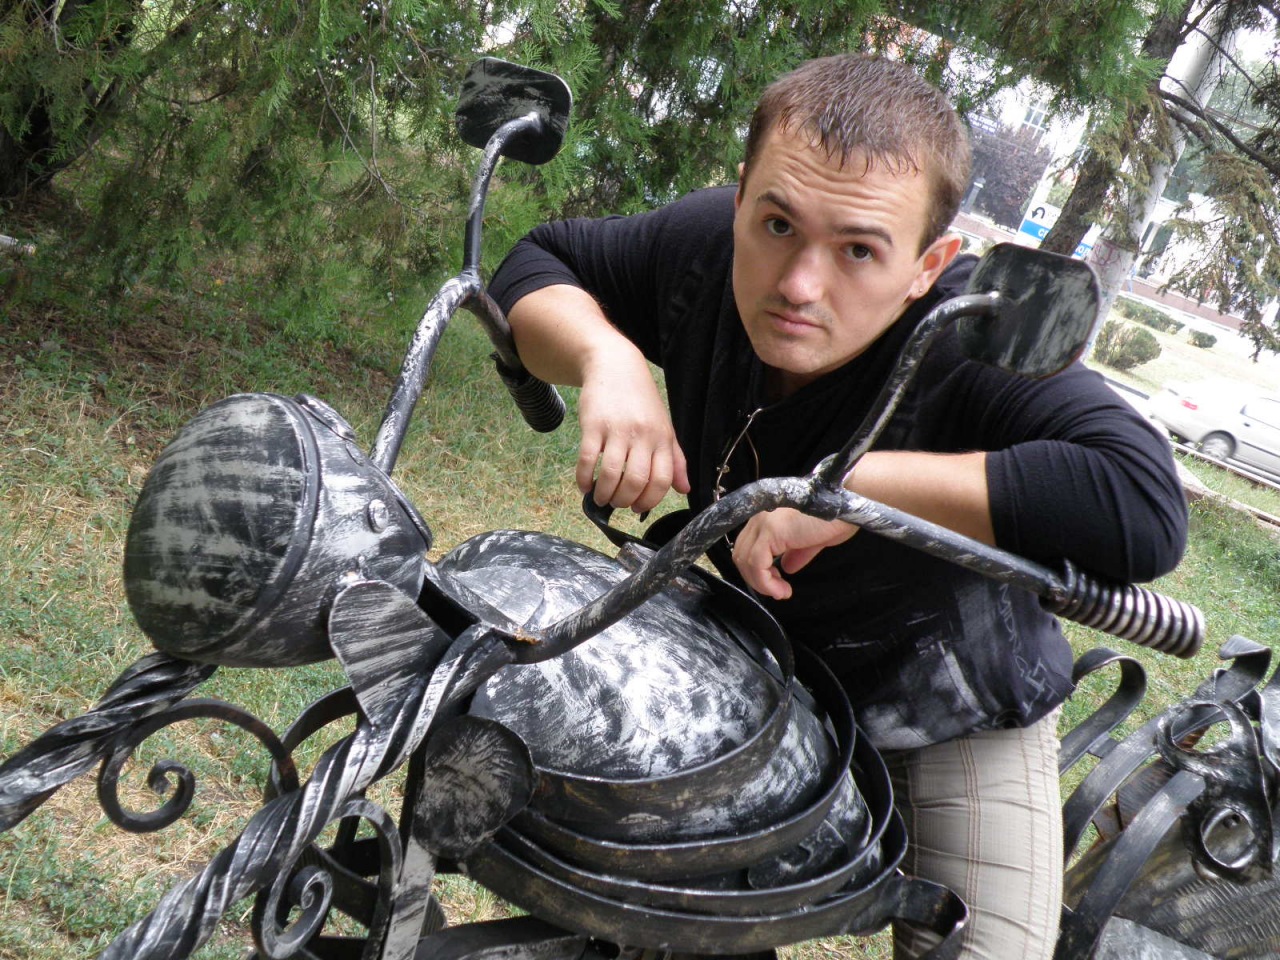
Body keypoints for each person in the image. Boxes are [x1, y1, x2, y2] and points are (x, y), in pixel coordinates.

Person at [487, 54, 1187, 960]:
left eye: (859, 249)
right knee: (625, 920)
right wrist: (605, 357)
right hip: (748, 670)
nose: (799, 285)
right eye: (777, 224)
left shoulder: (969, 333)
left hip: (950, 710)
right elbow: (538, 261)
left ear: (928, 265)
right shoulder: (704, 249)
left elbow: (1142, 502)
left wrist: (859, 489)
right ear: (742, 196)